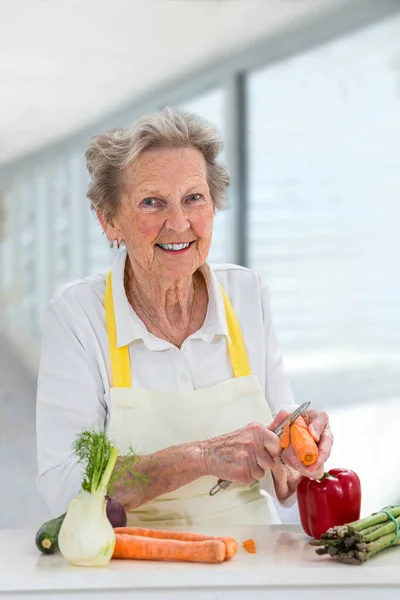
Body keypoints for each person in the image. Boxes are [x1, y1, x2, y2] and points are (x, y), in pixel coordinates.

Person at [36, 108, 333, 527]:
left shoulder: (248, 294)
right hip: (133, 560)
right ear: (109, 220)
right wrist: (202, 457)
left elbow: (285, 484)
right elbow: (64, 489)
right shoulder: (77, 316)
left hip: (252, 555)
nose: (179, 223)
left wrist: (299, 448)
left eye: (194, 198)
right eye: (151, 202)